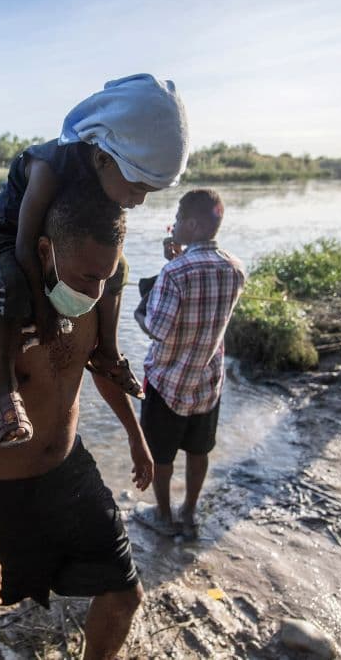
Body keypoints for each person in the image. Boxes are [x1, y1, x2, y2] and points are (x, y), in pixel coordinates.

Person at [0, 180, 154, 659]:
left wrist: (136, 436)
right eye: (83, 279)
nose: (94, 291)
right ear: (44, 250)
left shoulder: (98, 289)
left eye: (106, 276)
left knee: (125, 594)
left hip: (70, 473)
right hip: (0, 490)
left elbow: (99, 368)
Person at [0, 73, 189, 448]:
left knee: (118, 269)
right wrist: (46, 312)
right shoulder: (49, 169)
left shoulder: (108, 174)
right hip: (8, 234)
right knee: (8, 281)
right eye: (137, 188)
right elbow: (25, 247)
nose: (138, 202)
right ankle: (7, 389)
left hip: (58, 237)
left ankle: (107, 351)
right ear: (104, 159)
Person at [133, 189, 245, 540]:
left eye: (178, 219)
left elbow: (157, 329)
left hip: (168, 383)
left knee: (161, 456)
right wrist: (174, 261)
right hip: (208, 382)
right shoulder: (235, 268)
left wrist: (143, 307)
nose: (174, 224)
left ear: (193, 224)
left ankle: (163, 515)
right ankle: (190, 514)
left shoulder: (176, 273)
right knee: (199, 450)